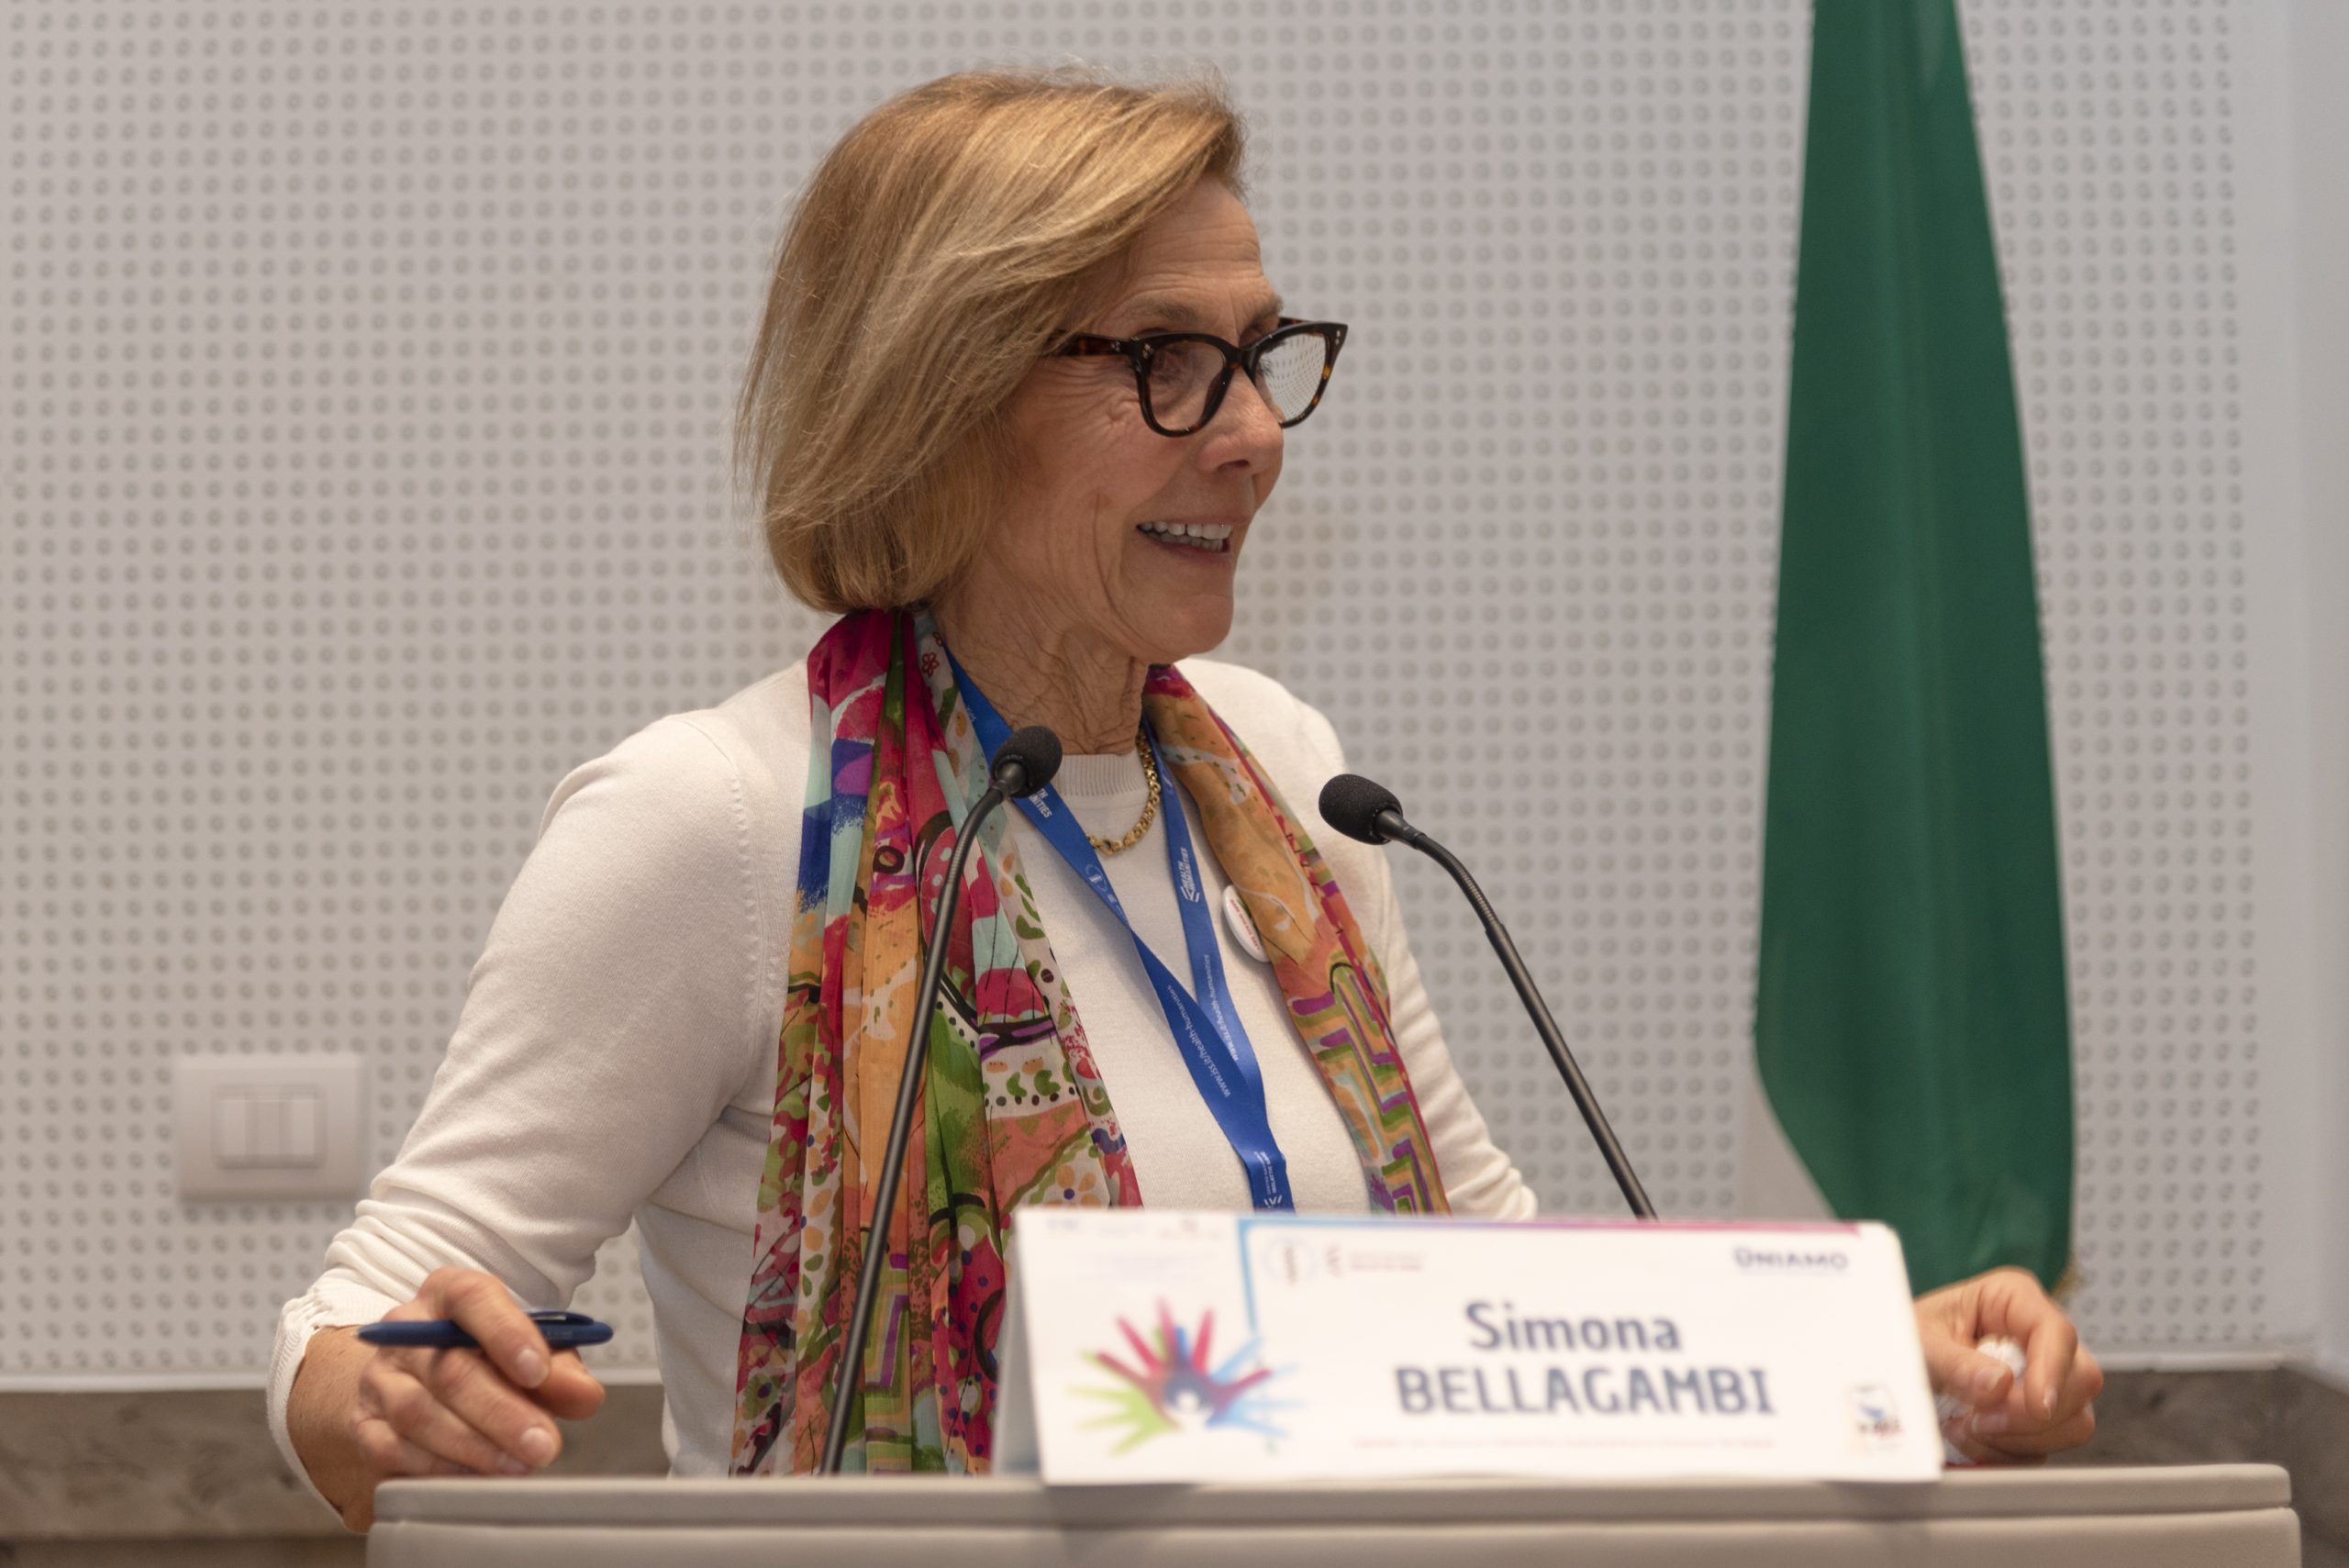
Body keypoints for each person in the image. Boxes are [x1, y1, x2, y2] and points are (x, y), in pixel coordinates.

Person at [270, 67, 2102, 1532]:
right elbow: (366, 1315)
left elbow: (1483, 1286)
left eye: (1262, 353)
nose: (1252, 434)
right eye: (1166, 363)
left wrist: (1869, 1359)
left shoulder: (1284, 776)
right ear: (940, 392)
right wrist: (380, 1392)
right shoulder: (736, 821)